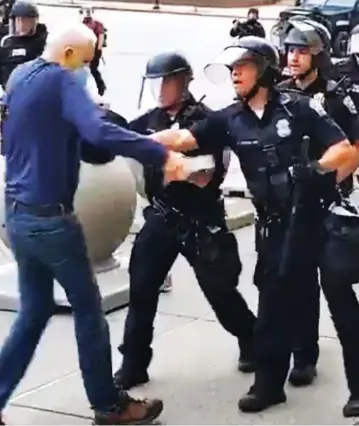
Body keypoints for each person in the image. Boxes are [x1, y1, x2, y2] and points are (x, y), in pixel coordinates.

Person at [0, 23, 188, 426]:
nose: (87, 70)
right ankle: (109, 405)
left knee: (33, 312)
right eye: (86, 61)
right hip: (51, 219)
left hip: (18, 216)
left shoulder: (21, 75)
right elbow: (96, 130)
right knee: (89, 312)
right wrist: (160, 155)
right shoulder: (62, 79)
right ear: (70, 54)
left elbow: (62, 134)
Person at [149, 36, 356, 413]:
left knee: (341, 305)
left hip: (317, 219)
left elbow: (343, 148)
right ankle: (269, 384)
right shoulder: (228, 119)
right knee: (272, 307)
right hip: (276, 226)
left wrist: (315, 170)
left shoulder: (300, 108)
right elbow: (182, 138)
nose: (234, 75)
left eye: (241, 67)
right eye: (231, 69)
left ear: (263, 69)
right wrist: (134, 140)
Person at [113, 50, 257, 391]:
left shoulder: (206, 122)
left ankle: (251, 339)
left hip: (199, 218)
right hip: (162, 217)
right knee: (142, 290)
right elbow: (119, 139)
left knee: (220, 291)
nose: (160, 90)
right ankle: (134, 363)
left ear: (182, 81)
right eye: (155, 83)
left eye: (166, 82)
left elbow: (207, 174)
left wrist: (170, 160)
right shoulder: (151, 120)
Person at [275, 17, 359, 388]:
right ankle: (303, 355)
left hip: (329, 204)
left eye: (301, 51)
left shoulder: (339, 97)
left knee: (335, 289)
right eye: (290, 50)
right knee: (297, 284)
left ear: (318, 55)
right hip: (290, 204)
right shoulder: (279, 93)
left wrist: (326, 182)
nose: (293, 58)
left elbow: (354, 149)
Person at [0, 1, 47, 130]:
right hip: (10, 85)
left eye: (27, 21)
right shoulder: (5, 42)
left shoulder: (42, 41)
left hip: (33, 87)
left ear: (34, 22)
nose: (22, 25)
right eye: (19, 21)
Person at [80, 7, 107, 95]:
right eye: (86, 11)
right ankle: (80, 88)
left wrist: (98, 50)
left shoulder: (97, 24)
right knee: (80, 69)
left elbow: (101, 36)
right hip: (84, 50)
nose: (87, 13)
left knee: (93, 69)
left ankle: (101, 86)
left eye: (89, 11)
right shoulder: (82, 24)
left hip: (94, 50)